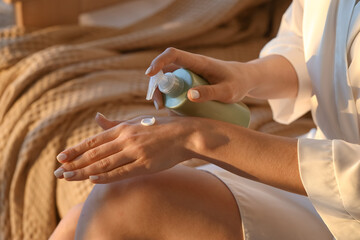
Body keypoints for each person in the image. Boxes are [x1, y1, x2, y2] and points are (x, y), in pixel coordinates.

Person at [50, 0, 360, 239]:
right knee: (77, 222)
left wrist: (196, 137)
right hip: (316, 169)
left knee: (124, 202)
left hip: (345, 199)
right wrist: (244, 75)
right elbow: (306, 38)